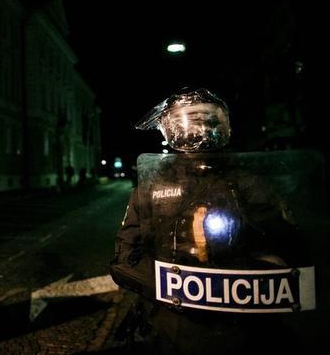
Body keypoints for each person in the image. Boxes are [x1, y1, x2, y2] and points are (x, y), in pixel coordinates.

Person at [109, 89, 311, 355]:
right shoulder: (151, 187)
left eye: (210, 120)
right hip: (172, 328)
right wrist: (175, 286)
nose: (201, 128)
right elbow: (124, 259)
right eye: (191, 119)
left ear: (224, 126)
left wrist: (240, 277)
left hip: (245, 327)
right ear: (170, 127)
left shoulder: (250, 183)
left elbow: (292, 252)